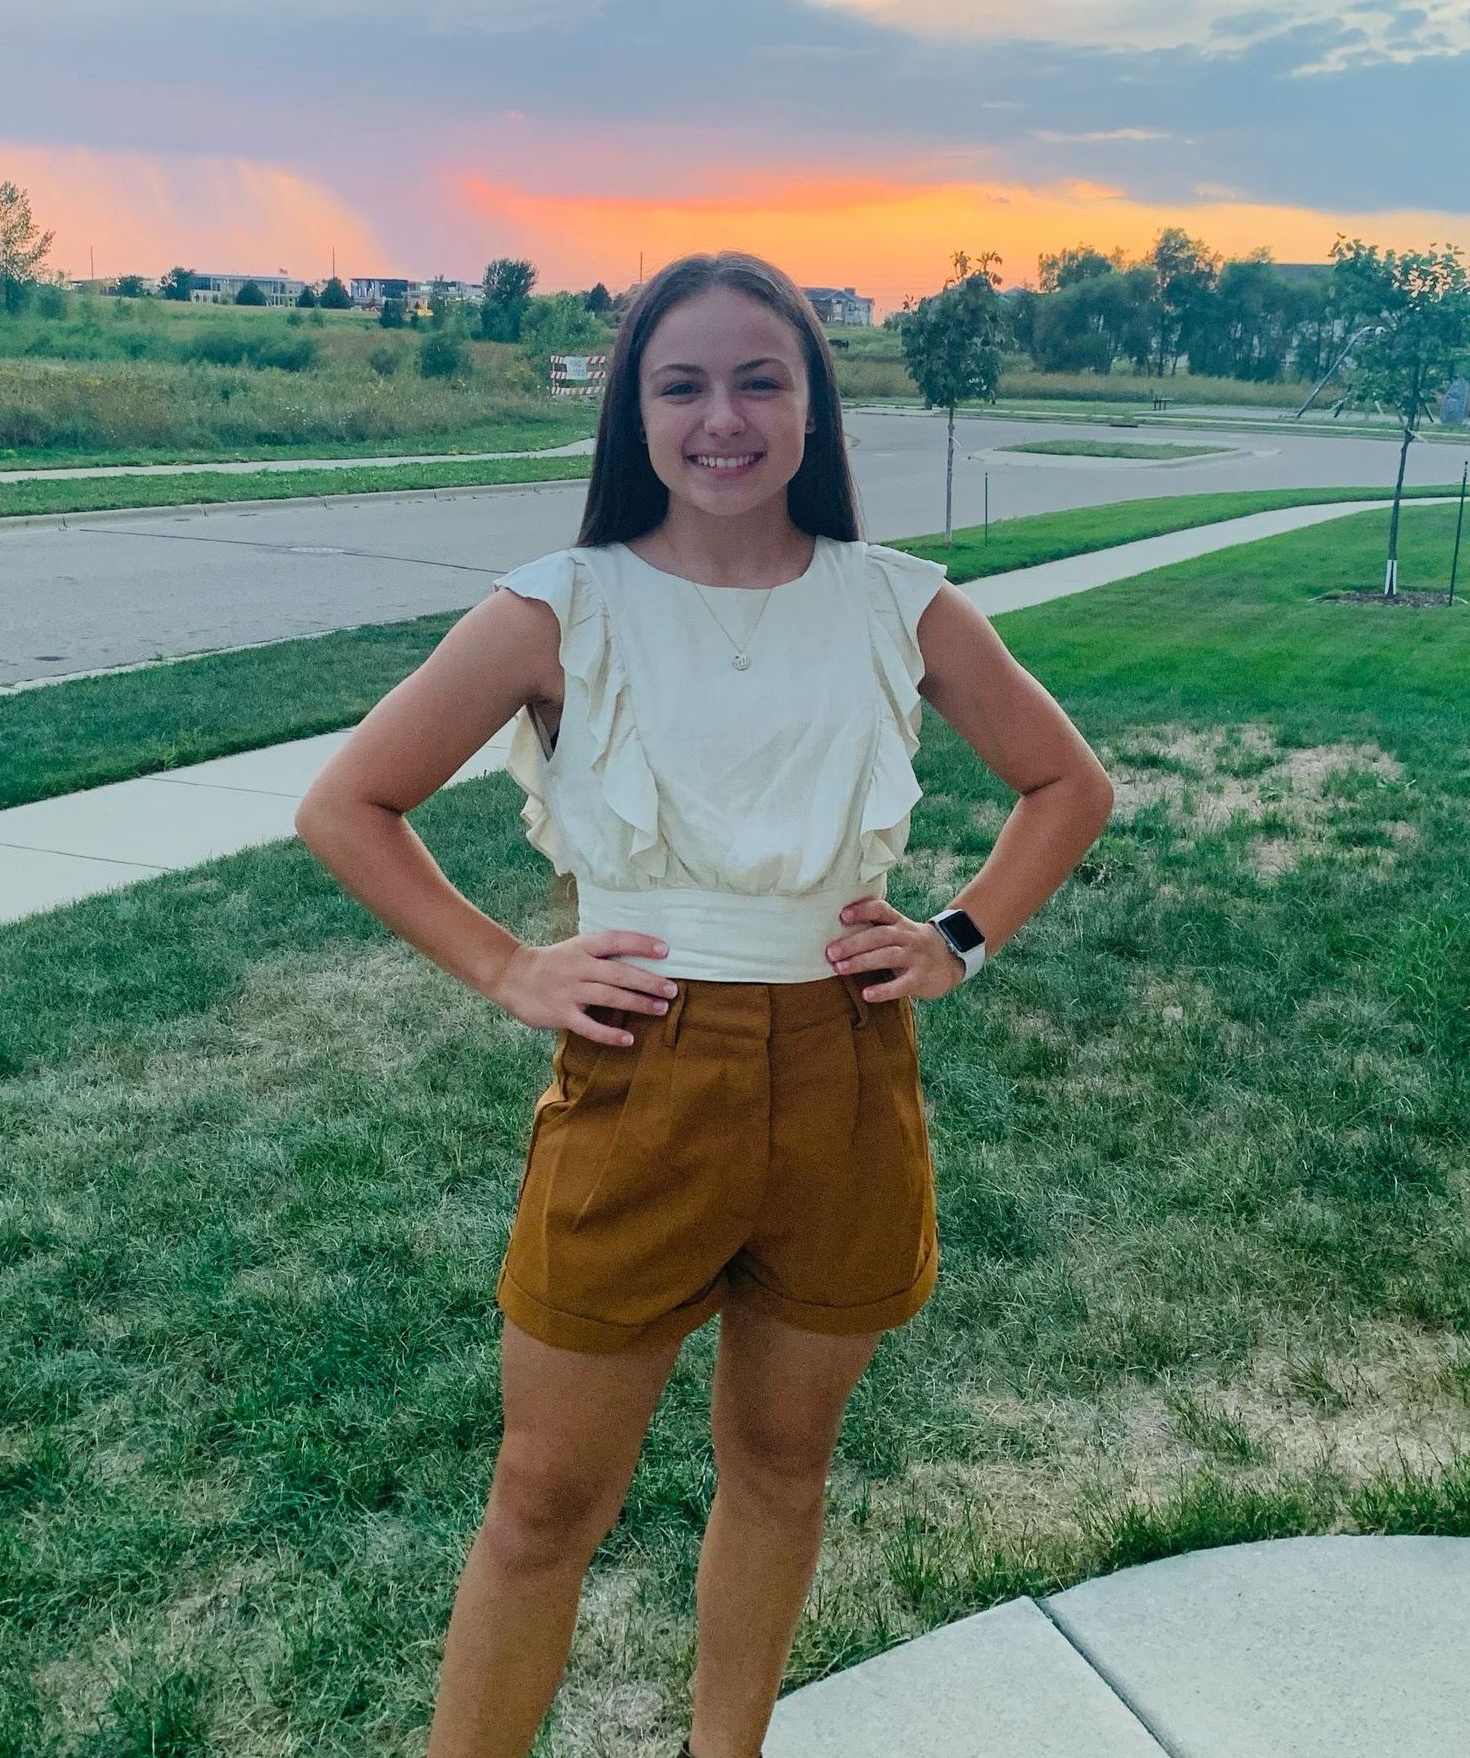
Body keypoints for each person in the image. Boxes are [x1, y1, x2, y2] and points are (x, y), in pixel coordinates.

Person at [293, 249, 1115, 1758]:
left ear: (812, 405)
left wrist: (960, 934)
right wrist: (508, 965)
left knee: (785, 1462)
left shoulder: (901, 603)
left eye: (760, 379)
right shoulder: (559, 606)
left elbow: (1070, 783)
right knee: (545, 1496)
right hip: (639, 1075)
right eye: (683, 384)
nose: (722, 417)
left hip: (848, 1075)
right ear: (635, 410)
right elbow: (349, 805)